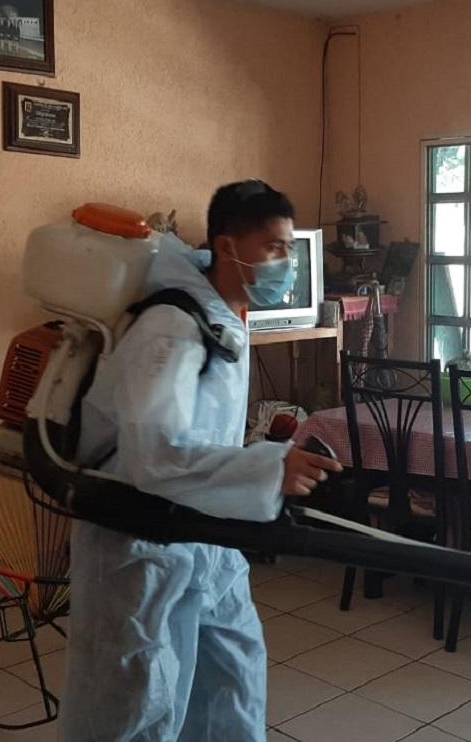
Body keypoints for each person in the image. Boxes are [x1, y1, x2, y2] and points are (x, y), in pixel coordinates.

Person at [59, 180, 341, 741]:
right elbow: (154, 452)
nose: (285, 263)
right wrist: (271, 468)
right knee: (140, 702)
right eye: (274, 248)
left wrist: (261, 472)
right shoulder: (171, 328)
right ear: (227, 246)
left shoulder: (221, 317)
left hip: (208, 537)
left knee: (232, 683)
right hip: (141, 547)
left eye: (289, 248)